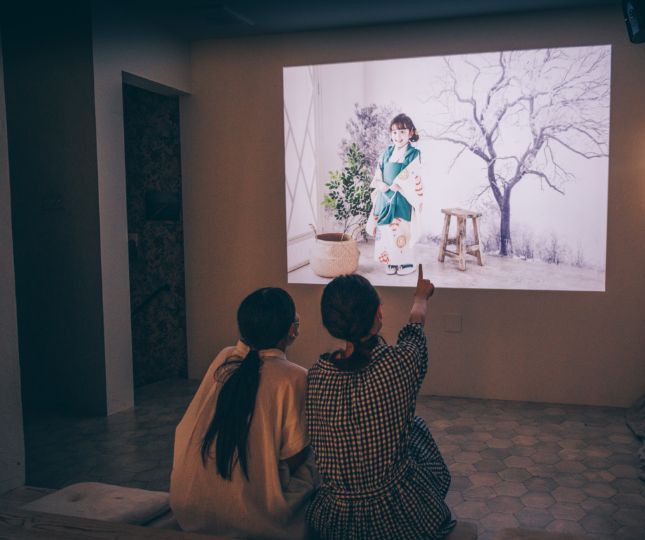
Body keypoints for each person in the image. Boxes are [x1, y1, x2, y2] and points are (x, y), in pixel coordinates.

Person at [306, 265, 455, 539]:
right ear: (379, 314)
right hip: (395, 515)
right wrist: (421, 296)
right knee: (416, 429)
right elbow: (415, 328)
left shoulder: (317, 374)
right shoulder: (397, 365)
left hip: (334, 517)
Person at [170, 287, 318, 539]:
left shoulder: (224, 357)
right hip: (254, 519)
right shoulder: (295, 377)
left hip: (189, 508)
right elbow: (295, 457)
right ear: (292, 330)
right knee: (317, 464)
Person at [365, 113, 425, 276]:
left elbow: (413, 173)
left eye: (402, 132)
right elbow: (378, 172)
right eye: (394, 132)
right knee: (386, 230)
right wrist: (380, 184)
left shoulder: (414, 153)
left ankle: (405, 262)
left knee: (401, 230)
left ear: (410, 133)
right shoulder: (387, 152)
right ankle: (391, 262)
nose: (398, 136)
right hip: (385, 196)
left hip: (402, 197)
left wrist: (400, 183)